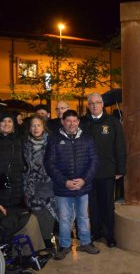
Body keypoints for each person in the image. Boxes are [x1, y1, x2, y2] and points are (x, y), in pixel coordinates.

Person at [45, 110, 100, 260]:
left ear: (78, 122)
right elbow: (49, 164)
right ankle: (64, 245)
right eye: (68, 121)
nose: (71, 124)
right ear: (62, 122)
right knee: (64, 218)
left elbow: (94, 162)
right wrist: (65, 182)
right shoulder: (54, 139)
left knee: (83, 216)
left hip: (83, 187)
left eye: (74, 121)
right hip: (63, 187)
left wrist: (84, 180)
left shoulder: (87, 139)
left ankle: (86, 242)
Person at [81, 93, 127, 248]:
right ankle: (96, 232)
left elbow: (119, 146)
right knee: (92, 205)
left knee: (107, 204)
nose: (94, 105)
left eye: (97, 102)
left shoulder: (113, 122)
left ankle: (109, 235)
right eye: (91, 103)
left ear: (102, 105)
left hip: (107, 171)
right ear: (88, 105)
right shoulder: (83, 123)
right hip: (88, 172)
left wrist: (120, 169)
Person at [22, 115, 58, 248]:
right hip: (31, 187)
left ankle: (48, 243)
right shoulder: (25, 143)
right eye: (33, 125)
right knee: (35, 218)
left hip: (47, 185)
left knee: (48, 216)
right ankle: (38, 245)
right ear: (29, 128)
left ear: (44, 127)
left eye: (38, 125)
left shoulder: (51, 142)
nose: (36, 128)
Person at [0, 113, 25, 207]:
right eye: (3, 121)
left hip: (16, 190)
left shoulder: (19, 140)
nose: (6, 124)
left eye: (10, 121)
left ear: (14, 125)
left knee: (13, 218)